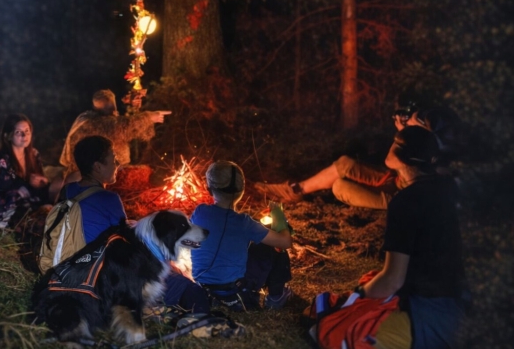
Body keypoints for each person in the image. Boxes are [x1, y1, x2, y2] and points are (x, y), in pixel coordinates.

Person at [337, 126, 467, 348]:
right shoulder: (449, 187)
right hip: (465, 300)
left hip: (432, 310)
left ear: (402, 155)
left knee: (344, 334)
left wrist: (356, 296)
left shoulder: (406, 201)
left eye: (395, 142)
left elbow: (392, 280)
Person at [66, 135, 210, 316]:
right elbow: (126, 242)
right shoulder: (109, 198)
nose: (117, 164)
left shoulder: (68, 190)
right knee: (190, 289)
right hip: (105, 275)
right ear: (98, 167)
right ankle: (196, 319)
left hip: (72, 268)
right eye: (113, 159)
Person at [260, 103, 463, 209]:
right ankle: (294, 190)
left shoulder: (437, 155)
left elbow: (395, 161)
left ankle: (295, 190)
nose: (408, 122)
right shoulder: (426, 144)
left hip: (399, 197)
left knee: (339, 186)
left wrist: (405, 133)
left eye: (414, 122)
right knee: (345, 164)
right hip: (395, 180)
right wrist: (406, 132)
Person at [190, 161, 294, 311]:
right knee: (272, 247)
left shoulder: (200, 212)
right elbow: (285, 242)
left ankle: (216, 299)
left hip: (203, 289)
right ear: (242, 191)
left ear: (209, 190)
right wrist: (279, 218)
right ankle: (276, 297)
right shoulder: (244, 223)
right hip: (236, 293)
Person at [59, 89, 171, 182]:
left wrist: (133, 106)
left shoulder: (87, 117)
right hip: (86, 176)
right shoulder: (96, 124)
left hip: (92, 172)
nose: (114, 113)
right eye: (111, 110)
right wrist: (149, 117)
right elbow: (124, 126)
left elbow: (118, 121)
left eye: (114, 109)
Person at [0, 114, 63, 223]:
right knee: (22, 195)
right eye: (18, 132)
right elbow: (6, 190)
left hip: (33, 196)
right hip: (11, 203)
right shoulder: (2, 161)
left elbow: (39, 183)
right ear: (8, 136)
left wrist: (43, 182)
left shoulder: (34, 154)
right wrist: (28, 183)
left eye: (27, 131)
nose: (24, 135)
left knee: (60, 184)